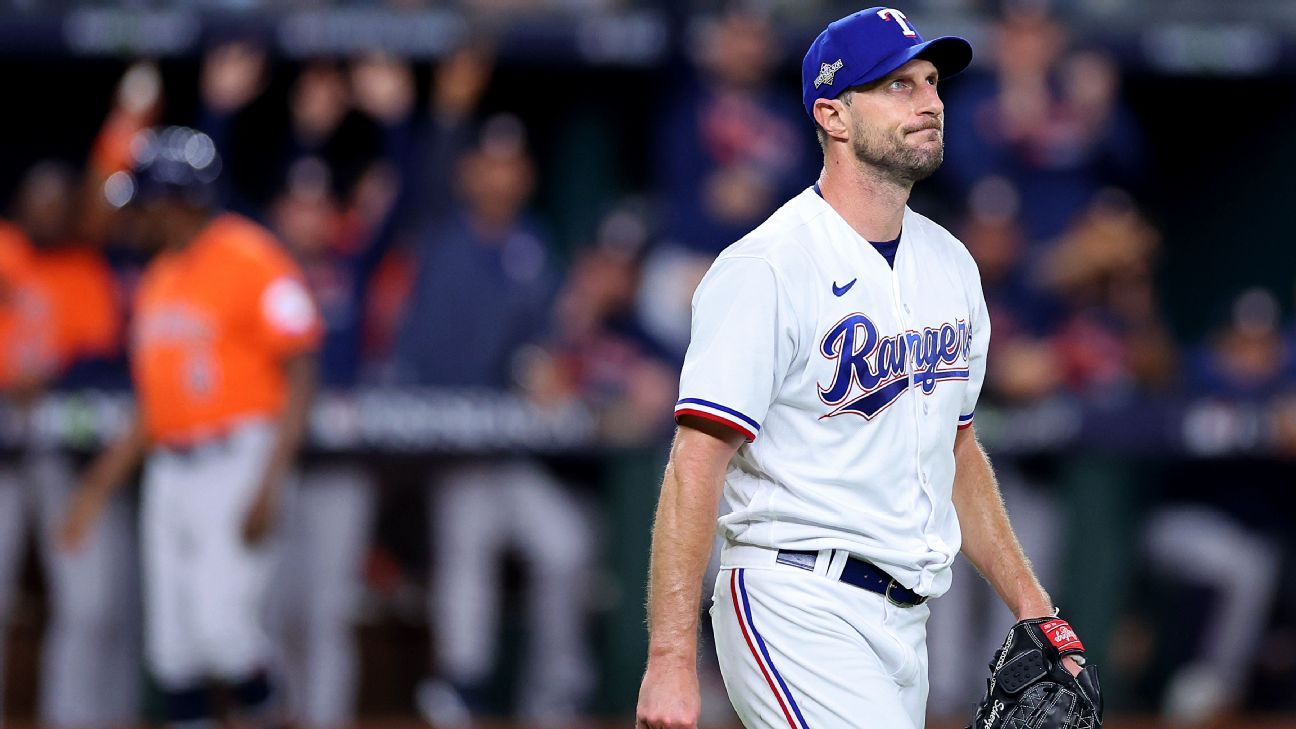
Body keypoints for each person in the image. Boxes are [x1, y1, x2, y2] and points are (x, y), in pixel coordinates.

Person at [635, 8, 1083, 728]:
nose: (930, 100)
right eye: (898, 86)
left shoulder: (951, 262)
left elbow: (957, 449)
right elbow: (695, 461)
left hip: (907, 623)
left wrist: (1034, 604)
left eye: (932, 82)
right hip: (795, 599)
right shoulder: (768, 265)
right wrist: (668, 660)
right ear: (833, 115)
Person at [60, 126, 321, 729]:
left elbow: (302, 373)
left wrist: (271, 482)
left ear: (178, 201)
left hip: (239, 457)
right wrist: (97, 487)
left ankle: (269, 712)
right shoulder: (160, 279)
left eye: (146, 202)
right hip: (173, 469)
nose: (137, 217)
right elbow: (155, 406)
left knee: (222, 630)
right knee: (173, 646)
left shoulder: (252, 257)